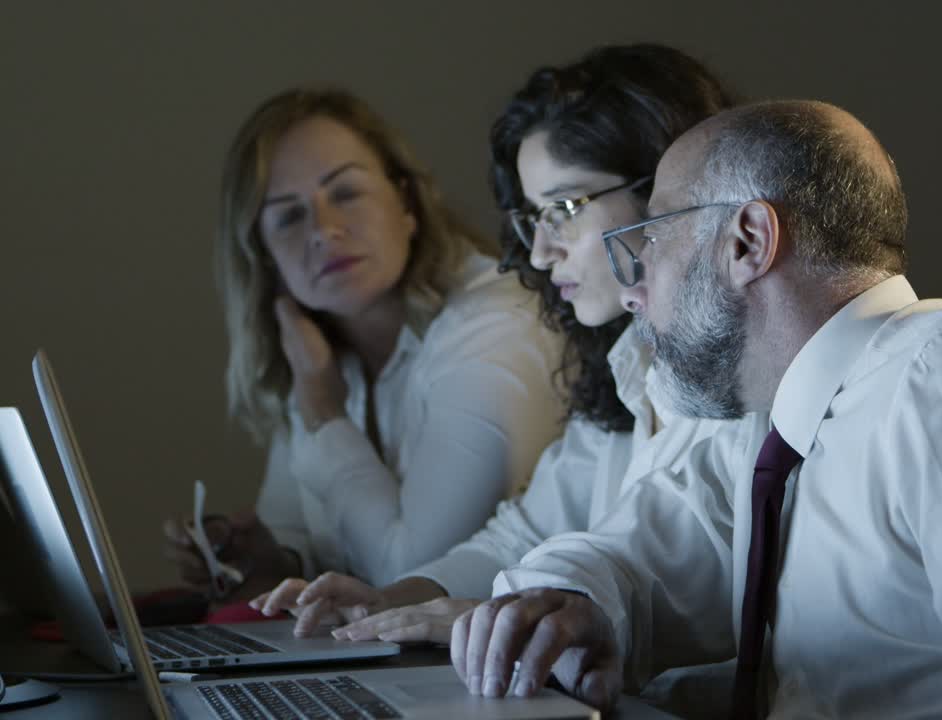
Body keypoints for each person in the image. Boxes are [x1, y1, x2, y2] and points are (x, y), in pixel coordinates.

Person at [448, 100, 942, 719]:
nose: (637, 279)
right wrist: (572, 599)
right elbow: (647, 549)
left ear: (747, 241)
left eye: (655, 236)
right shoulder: (776, 427)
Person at [247, 47, 764, 676]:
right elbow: (523, 533)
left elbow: (659, 575)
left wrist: (480, 612)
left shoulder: (750, 380)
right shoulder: (630, 366)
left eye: (565, 210)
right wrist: (400, 599)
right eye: (534, 218)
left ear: (666, 187)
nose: (542, 254)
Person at [161, 88, 563, 604]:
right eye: (288, 216)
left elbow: (413, 578)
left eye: (346, 192)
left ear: (407, 204)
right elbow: (301, 538)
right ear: (264, 259)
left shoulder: (498, 323)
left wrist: (326, 415)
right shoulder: (319, 344)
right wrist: (269, 561)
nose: (325, 231)